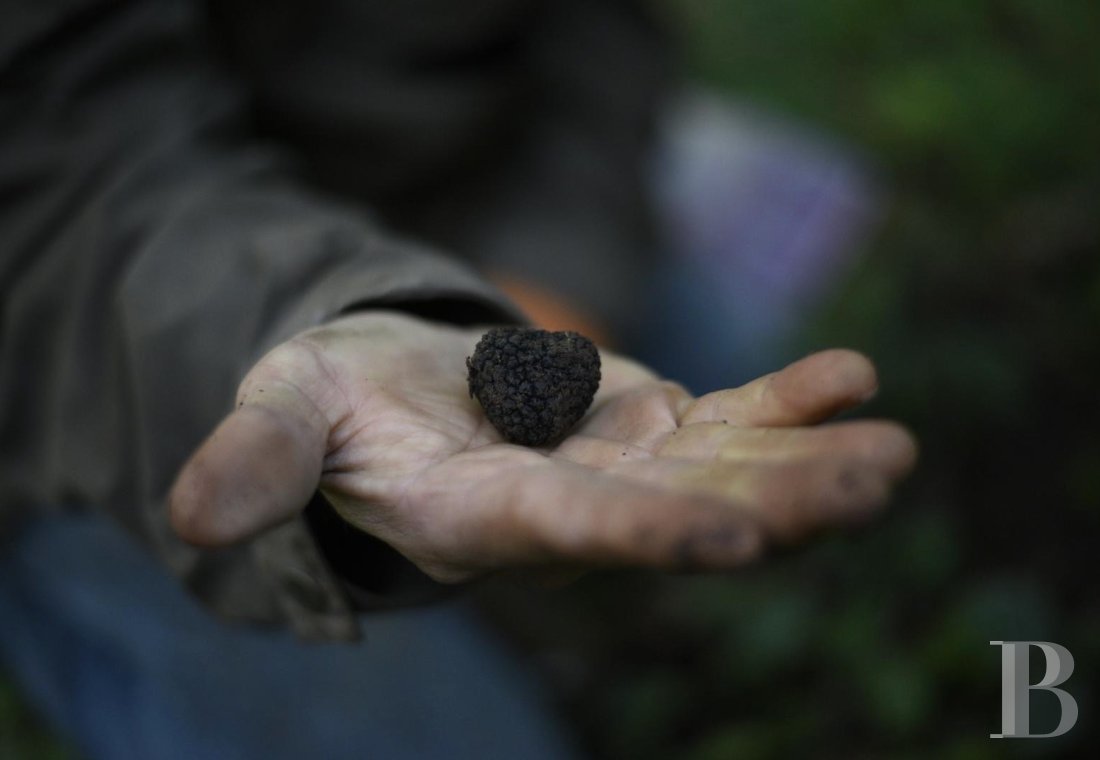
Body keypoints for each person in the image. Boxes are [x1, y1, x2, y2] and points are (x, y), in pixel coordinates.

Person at [1, 0, 917, 756]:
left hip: (465, 216)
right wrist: (322, 318)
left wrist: (559, 273)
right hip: (97, 333)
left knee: (744, 377)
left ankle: (544, 607)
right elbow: (54, 178)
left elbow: (601, 45)